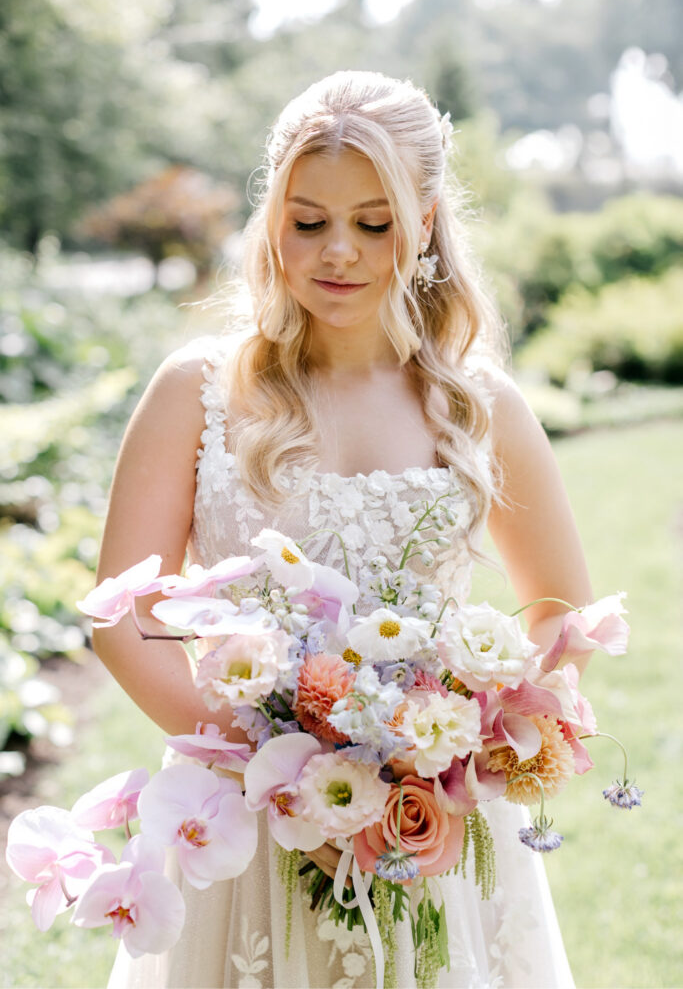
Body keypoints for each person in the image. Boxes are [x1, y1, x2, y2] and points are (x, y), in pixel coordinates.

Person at [95, 71, 590, 988]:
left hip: (429, 826)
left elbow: (562, 618)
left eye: (373, 223)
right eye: (307, 220)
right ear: (271, 220)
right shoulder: (196, 392)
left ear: (426, 222)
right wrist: (281, 779)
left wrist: (448, 764)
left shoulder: (477, 405)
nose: (338, 253)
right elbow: (122, 620)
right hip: (239, 819)